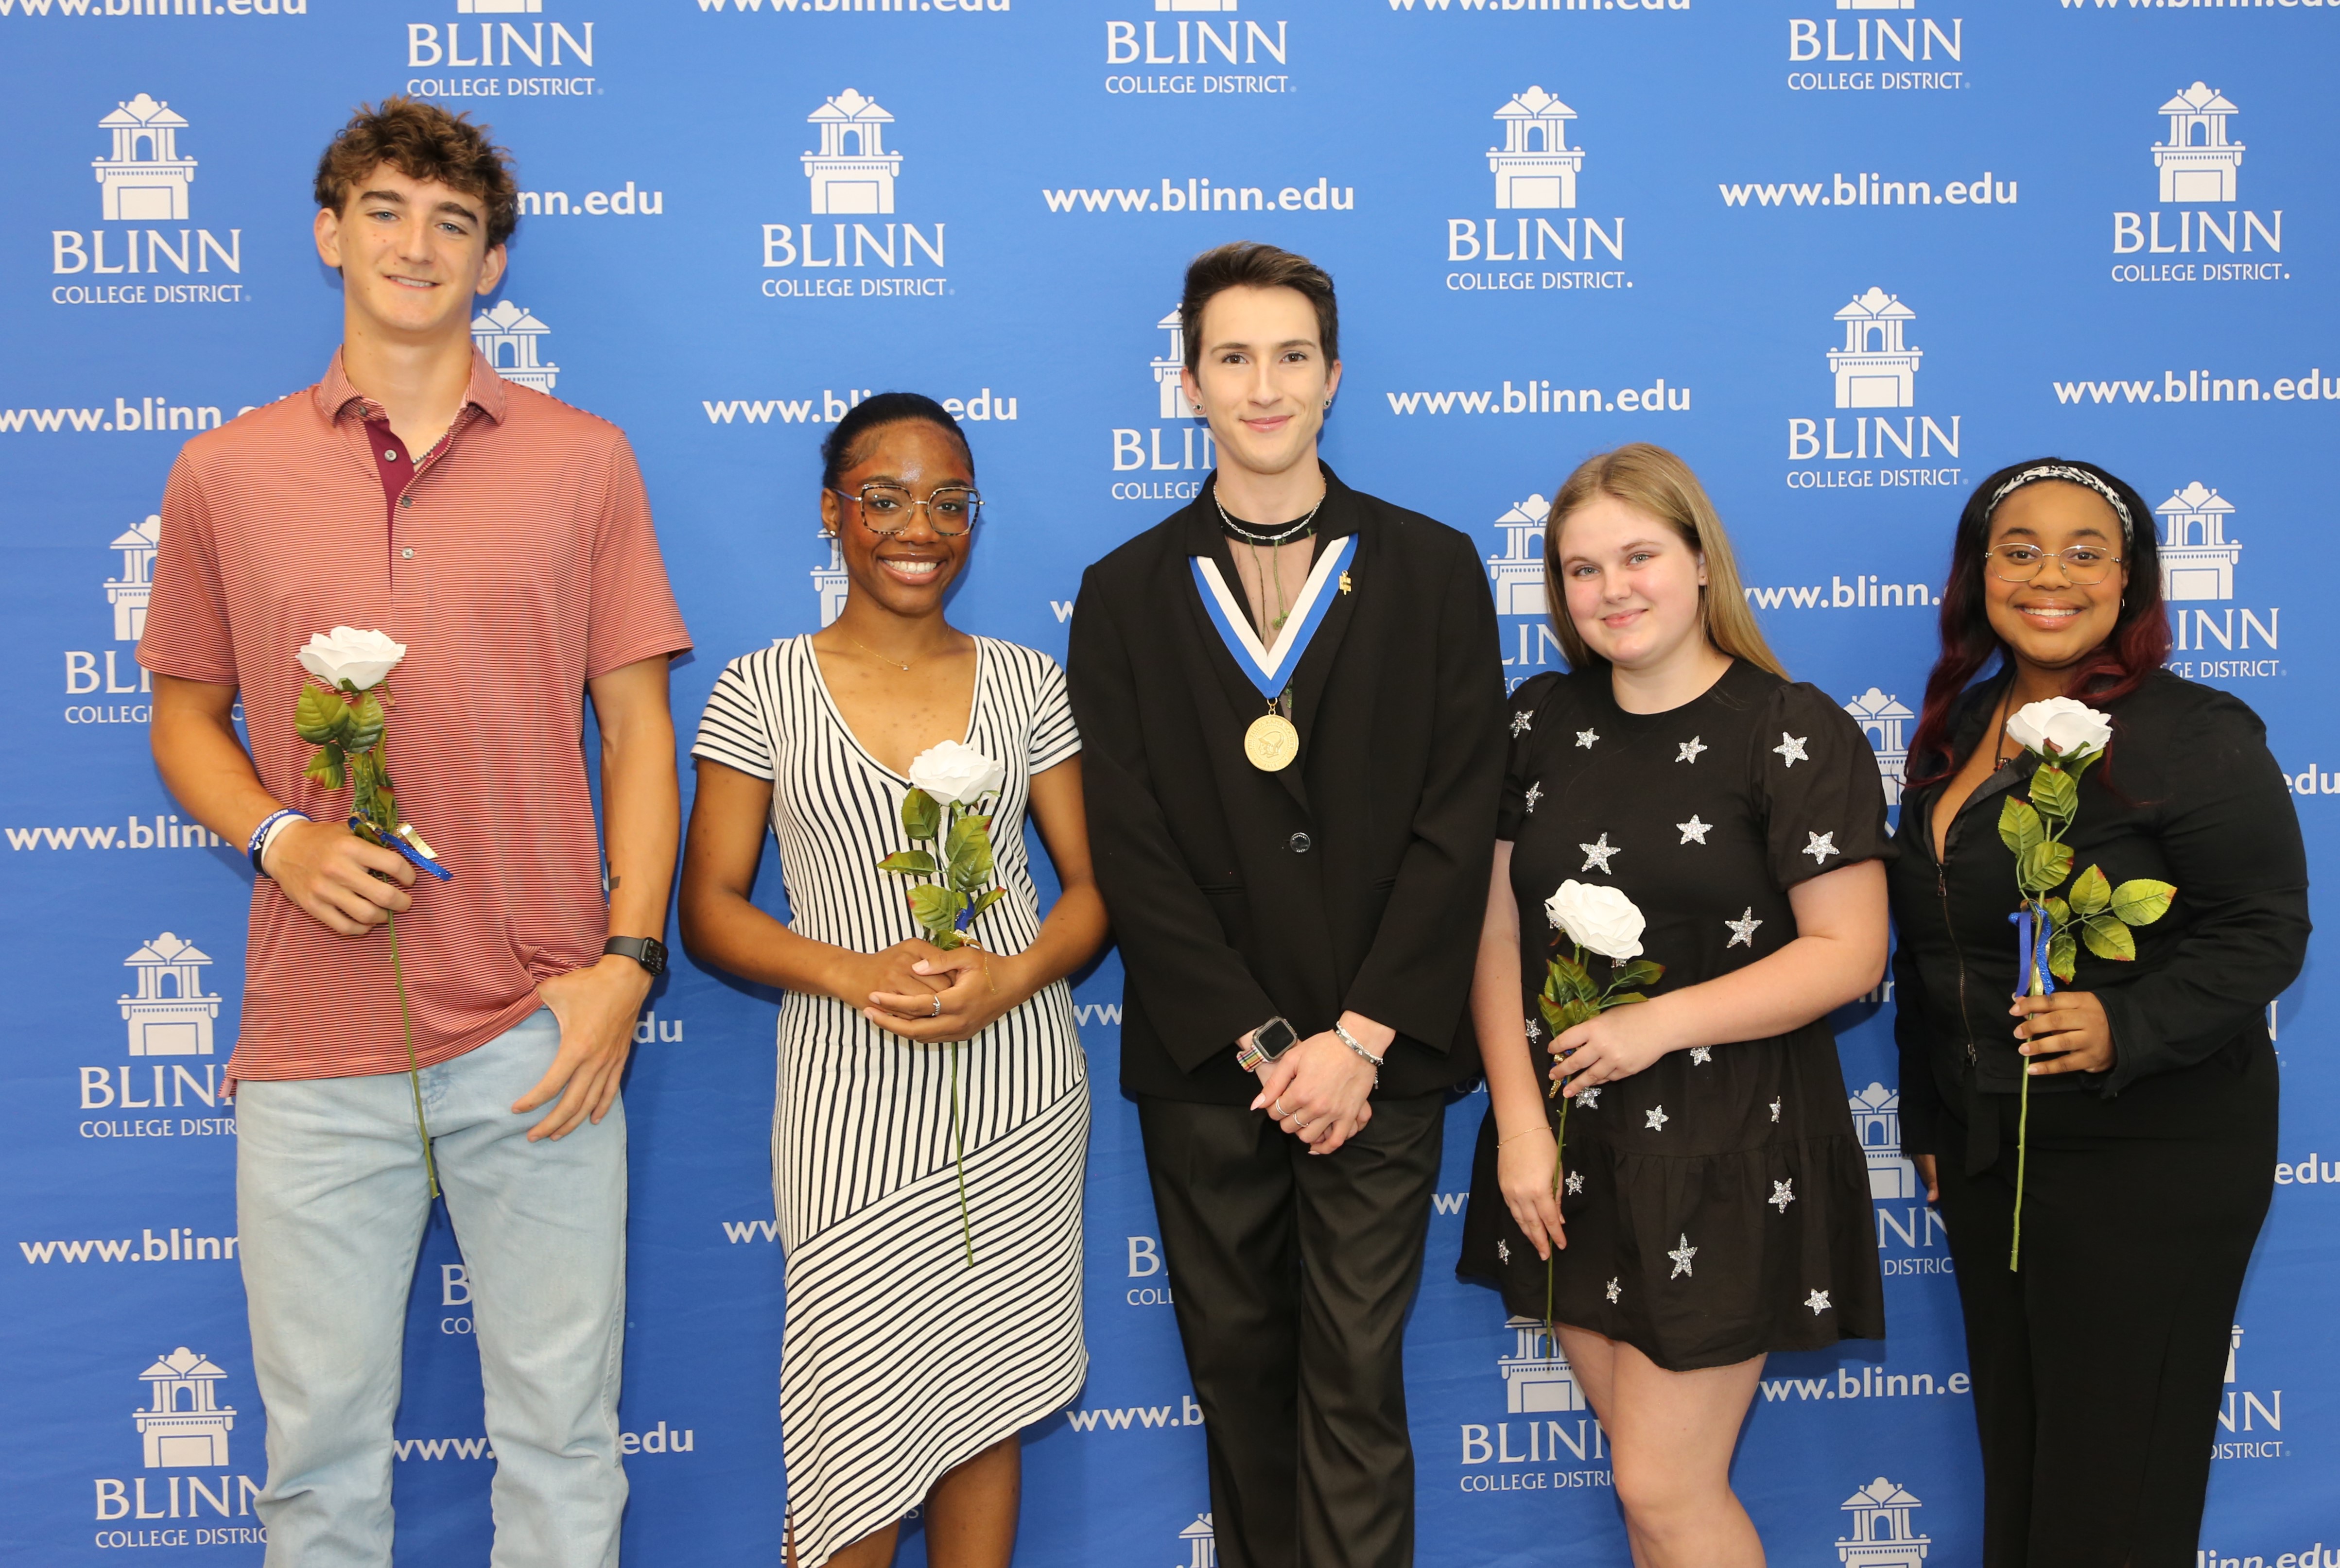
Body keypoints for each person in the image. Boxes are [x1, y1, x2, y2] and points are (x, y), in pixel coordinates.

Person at [139, 99, 690, 1564]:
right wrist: (276, 839)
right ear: (331, 235)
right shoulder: (223, 472)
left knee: (566, 1444)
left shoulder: (585, 460)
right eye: (383, 211)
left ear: (493, 264)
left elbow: (640, 731)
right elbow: (185, 715)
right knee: (316, 1466)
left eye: (453, 223)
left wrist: (626, 963)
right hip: (314, 1049)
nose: (416, 245)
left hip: (539, 1028)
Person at [1066, 242, 1505, 1568]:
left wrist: (1358, 1038)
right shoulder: (1125, 589)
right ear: (1187, 381)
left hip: (1383, 1058)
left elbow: (1460, 817)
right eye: (1234, 357)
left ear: (1335, 379)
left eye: (1293, 357)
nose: (1265, 385)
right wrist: (1270, 1048)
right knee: (1241, 1382)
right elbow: (1129, 851)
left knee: (1355, 1386)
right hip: (1217, 1069)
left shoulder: (1432, 569)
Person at [680, 393, 1108, 1568]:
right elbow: (708, 909)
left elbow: (1090, 892)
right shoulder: (760, 687)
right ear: (832, 513)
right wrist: (848, 969)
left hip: (1017, 1085)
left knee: (986, 1398)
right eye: (883, 497)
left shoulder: (1028, 682)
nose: (918, 525)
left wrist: (1013, 976)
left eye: (949, 501)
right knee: (848, 1412)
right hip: (847, 1092)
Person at [1456, 443, 1890, 1568]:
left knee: (1662, 1485)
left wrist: (1660, 1022)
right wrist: (1516, 1124)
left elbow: (1849, 956)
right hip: (1566, 1146)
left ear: (1701, 562)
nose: (1611, 590)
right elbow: (1496, 931)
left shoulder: (1791, 729)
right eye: (1580, 569)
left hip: (1732, 1147)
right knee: (1643, 1488)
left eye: (1638, 555)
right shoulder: (1534, 721)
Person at [1886, 459, 2307, 1568]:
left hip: (2149, 1156)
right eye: (2018, 549)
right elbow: (1931, 942)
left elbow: (2263, 929)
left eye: (2085, 552)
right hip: (1996, 1155)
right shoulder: (1956, 729)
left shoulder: (2191, 731)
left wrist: (2125, 1023)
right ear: (1979, 572)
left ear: (2131, 582)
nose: (2049, 576)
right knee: (2026, 1479)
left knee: (2109, 1504)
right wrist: (1930, 1120)